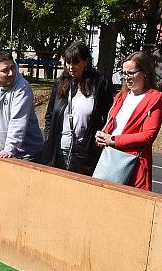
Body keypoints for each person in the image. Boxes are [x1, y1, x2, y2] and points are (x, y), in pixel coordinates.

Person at [95, 51, 162, 190]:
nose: (126, 77)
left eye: (131, 73)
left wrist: (113, 140)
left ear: (145, 72)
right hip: (111, 159)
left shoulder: (155, 99)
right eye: (124, 73)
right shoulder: (121, 96)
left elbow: (148, 135)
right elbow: (112, 125)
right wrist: (103, 136)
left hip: (134, 165)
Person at [41, 41, 113, 174]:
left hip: (85, 155)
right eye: (68, 62)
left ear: (86, 61)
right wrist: (48, 138)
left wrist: (96, 144)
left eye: (75, 62)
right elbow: (50, 115)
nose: (70, 67)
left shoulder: (100, 83)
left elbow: (109, 117)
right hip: (58, 151)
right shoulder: (60, 83)